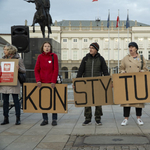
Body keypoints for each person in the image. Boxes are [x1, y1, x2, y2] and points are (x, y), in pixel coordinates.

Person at [76, 42, 109, 126]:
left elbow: (105, 71)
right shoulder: (85, 58)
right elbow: (80, 71)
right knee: (87, 102)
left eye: (92, 48)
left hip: (98, 84)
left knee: (98, 101)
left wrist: (109, 82)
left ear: (96, 50)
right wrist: (76, 82)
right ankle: (87, 119)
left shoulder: (101, 59)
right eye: (90, 48)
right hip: (86, 83)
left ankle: (98, 118)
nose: (90, 49)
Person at [120, 42, 148, 126]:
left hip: (138, 81)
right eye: (129, 47)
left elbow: (145, 69)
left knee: (138, 101)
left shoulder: (142, 58)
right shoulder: (125, 58)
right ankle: (125, 118)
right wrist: (122, 71)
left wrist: (142, 71)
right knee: (127, 101)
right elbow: (121, 68)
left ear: (136, 48)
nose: (130, 49)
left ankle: (139, 118)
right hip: (128, 82)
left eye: (132, 47)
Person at [0, 44, 26, 125]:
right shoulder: (3, 59)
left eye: (5, 49)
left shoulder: (18, 59)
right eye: (4, 49)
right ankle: (5, 118)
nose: (4, 51)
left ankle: (18, 118)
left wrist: (19, 68)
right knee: (5, 101)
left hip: (14, 82)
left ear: (10, 50)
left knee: (16, 101)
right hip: (5, 82)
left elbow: (24, 70)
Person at [34, 41, 58, 126]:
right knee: (44, 101)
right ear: (43, 48)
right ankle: (45, 119)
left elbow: (56, 69)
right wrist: (38, 80)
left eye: (48, 46)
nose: (47, 48)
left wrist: (53, 81)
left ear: (50, 48)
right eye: (45, 46)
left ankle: (54, 119)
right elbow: (36, 70)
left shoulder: (54, 56)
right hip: (42, 83)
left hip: (52, 83)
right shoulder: (40, 57)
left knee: (53, 101)